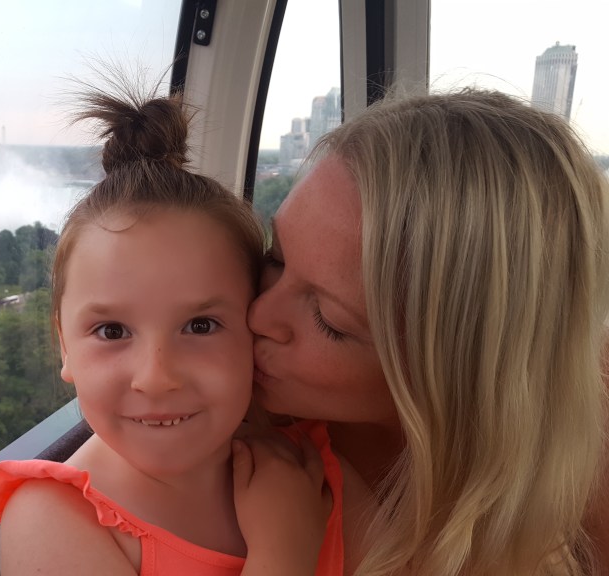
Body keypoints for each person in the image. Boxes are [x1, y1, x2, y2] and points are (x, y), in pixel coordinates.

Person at [245, 88, 609, 575]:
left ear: (454, 375)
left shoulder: (582, 493)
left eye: (329, 321)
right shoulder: (206, 426)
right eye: (275, 256)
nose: (257, 316)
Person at [0, 85, 341, 575]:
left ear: (254, 328)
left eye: (200, 326)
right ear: (64, 345)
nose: (156, 377)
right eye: (112, 332)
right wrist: (284, 553)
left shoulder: (313, 453)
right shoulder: (51, 522)